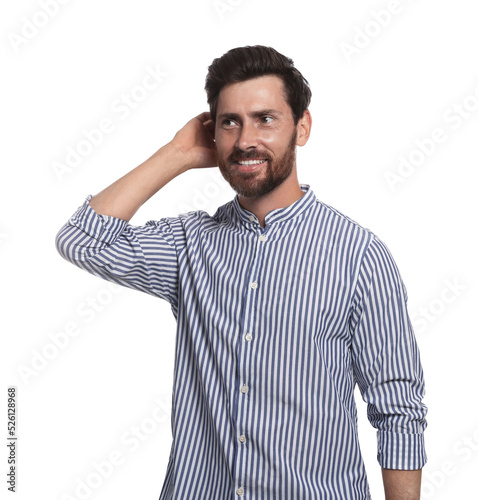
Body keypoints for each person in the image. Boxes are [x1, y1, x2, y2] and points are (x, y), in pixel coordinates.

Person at [55, 45, 427, 500]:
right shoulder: (188, 244)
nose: (246, 139)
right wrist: (176, 154)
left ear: (302, 127)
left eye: (265, 119)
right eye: (230, 122)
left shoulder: (358, 255)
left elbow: (398, 410)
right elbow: (81, 240)